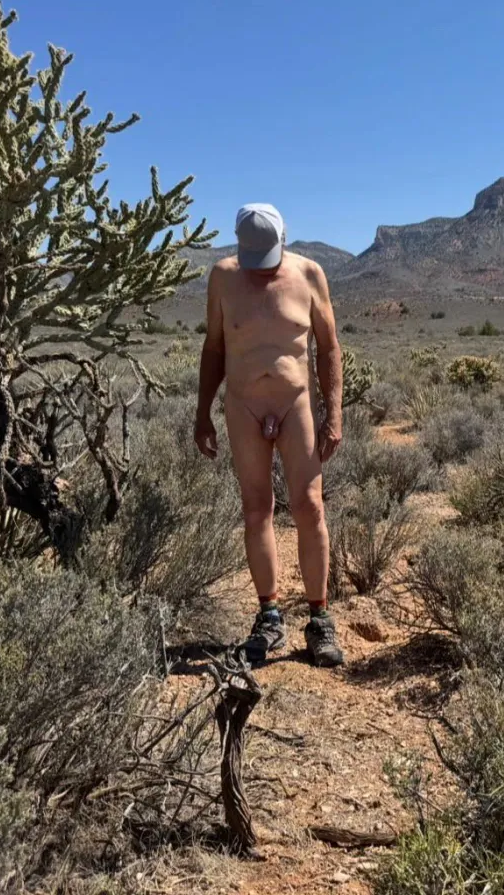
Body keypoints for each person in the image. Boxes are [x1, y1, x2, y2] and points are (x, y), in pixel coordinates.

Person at [194, 203, 345, 668]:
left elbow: (328, 346)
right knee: (257, 508)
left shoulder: (310, 275)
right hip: (243, 404)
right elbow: (215, 346)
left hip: (295, 402)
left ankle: (319, 620)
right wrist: (203, 413)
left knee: (310, 505)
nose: (262, 271)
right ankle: (269, 615)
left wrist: (333, 412)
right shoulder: (222, 277)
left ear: (285, 238)